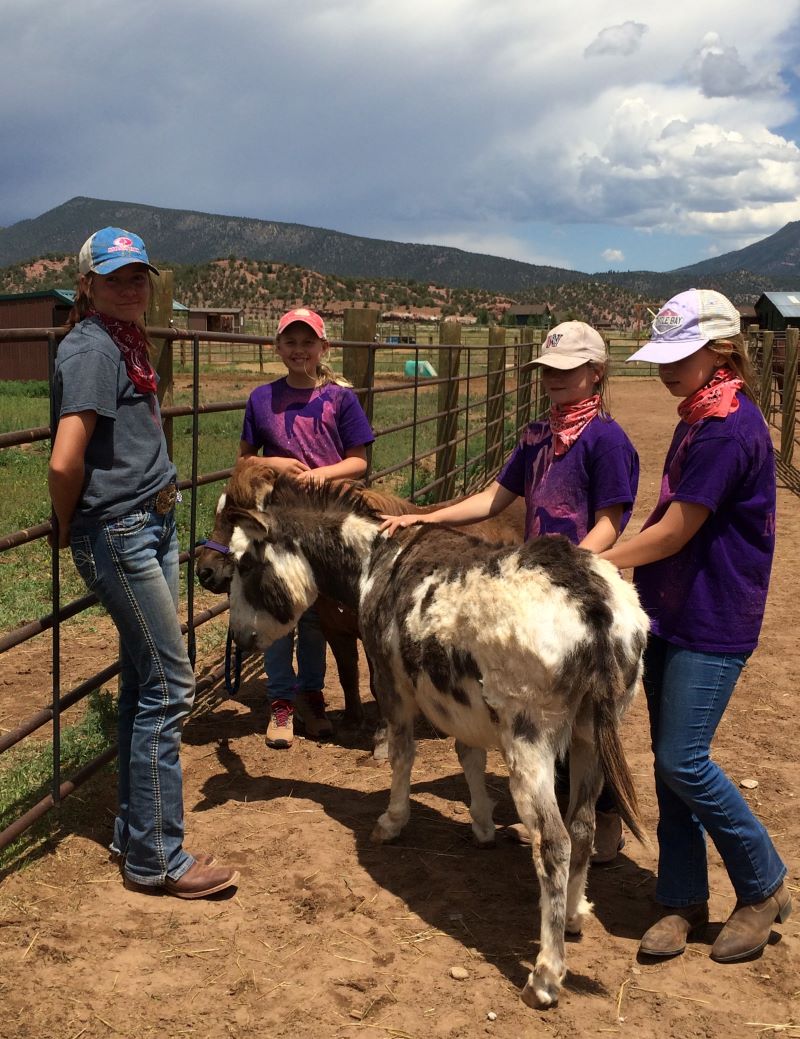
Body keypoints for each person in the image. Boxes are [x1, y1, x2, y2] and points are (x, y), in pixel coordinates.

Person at [380, 320, 639, 862]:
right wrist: (425, 518)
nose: (553, 380)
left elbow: (612, 521)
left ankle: (602, 815)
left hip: (573, 586)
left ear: (596, 373)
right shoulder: (537, 436)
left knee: (585, 717)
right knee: (548, 711)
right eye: (547, 371)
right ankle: (572, 816)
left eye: (566, 371)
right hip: (535, 591)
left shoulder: (608, 441)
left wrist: (569, 573)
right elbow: (495, 499)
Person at [48, 227, 239, 898]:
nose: (132, 286)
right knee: (170, 685)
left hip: (149, 520)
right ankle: (158, 857)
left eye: (140, 276)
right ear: (89, 284)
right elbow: (65, 458)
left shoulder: (124, 344)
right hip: (123, 529)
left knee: (142, 684)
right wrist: (71, 526)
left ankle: (139, 831)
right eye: (117, 276)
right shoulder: (94, 350)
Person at [602, 288, 790, 962]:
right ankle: (682, 895)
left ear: (721, 350)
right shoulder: (696, 417)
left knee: (684, 758)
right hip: (673, 610)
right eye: (662, 355)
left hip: (713, 615)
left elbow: (680, 527)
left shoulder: (728, 428)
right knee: (669, 761)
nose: (666, 367)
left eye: (680, 354)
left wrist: (595, 559)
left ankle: (763, 882)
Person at [238, 307, 374, 749]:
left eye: (307, 342)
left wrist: (324, 475)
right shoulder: (261, 399)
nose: (299, 350)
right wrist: (272, 462)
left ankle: (311, 695)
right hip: (278, 525)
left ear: (323, 348)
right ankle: (281, 700)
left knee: (318, 617)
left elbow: (360, 461)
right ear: (277, 348)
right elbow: (243, 462)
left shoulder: (340, 399)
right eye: (290, 342)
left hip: (327, 526)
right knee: (281, 612)